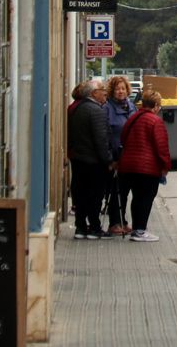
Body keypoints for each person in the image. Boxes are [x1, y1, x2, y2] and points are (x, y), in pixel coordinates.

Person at [119, 90, 171, 242]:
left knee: (136, 198)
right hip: (147, 168)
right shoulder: (155, 121)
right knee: (146, 198)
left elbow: (123, 137)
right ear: (155, 106)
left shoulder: (133, 118)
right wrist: (165, 166)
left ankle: (137, 229)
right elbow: (161, 146)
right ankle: (140, 230)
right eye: (159, 105)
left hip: (128, 165)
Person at [67, 78, 113, 239]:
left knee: (80, 194)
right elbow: (101, 139)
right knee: (95, 195)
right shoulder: (96, 111)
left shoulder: (76, 108)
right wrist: (108, 160)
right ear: (94, 93)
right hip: (94, 162)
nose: (105, 93)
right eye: (102, 90)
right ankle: (94, 227)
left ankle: (80, 227)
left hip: (78, 159)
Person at [104, 75, 138, 236]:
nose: (120, 92)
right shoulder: (107, 108)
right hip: (116, 156)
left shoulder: (131, 106)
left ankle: (123, 221)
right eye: (117, 89)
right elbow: (106, 134)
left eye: (123, 89)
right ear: (112, 91)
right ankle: (114, 222)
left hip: (130, 155)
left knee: (125, 191)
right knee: (115, 191)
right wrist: (111, 158)